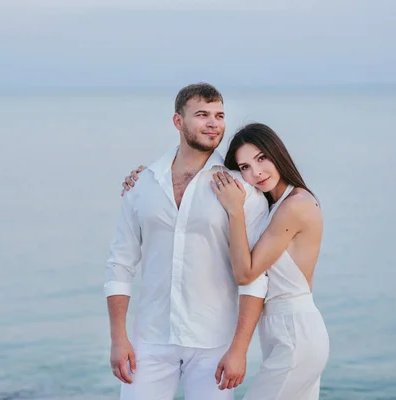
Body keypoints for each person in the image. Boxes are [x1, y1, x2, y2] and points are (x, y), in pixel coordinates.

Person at [123, 123, 330, 399]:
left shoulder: (295, 205)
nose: (255, 173)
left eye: (261, 158)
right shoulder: (274, 204)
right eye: (244, 167)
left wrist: (235, 210)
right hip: (282, 332)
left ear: (277, 153)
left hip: (295, 334)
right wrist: (148, 178)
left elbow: (246, 274)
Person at [105, 83, 271, 400]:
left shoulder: (241, 189)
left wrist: (239, 349)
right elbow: (120, 264)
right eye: (202, 114)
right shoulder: (143, 184)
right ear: (178, 121)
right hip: (150, 340)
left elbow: (254, 277)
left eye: (220, 115)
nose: (213, 123)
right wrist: (118, 338)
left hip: (214, 341)